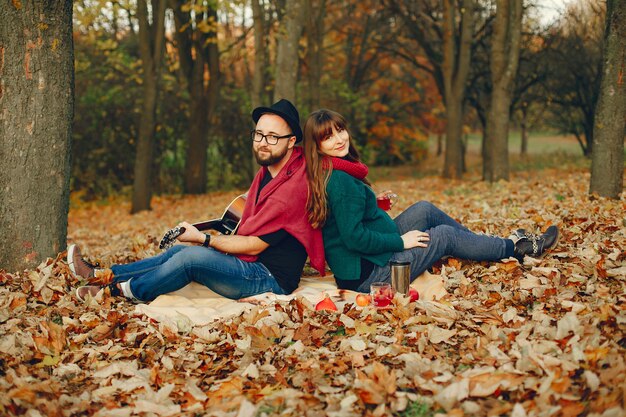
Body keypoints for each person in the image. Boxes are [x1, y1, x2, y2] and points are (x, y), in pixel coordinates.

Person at [68, 99, 325, 302]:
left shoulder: (293, 187)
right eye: (258, 134)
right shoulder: (271, 172)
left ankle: (121, 292)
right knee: (179, 250)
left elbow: (254, 246)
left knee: (189, 259)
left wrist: (203, 238)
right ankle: (102, 275)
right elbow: (252, 216)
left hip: (268, 277)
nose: (262, 143)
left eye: (272, 137)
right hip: (252, 264)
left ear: (291, 142)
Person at [303, 109, 559, 293]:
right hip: (368, 275)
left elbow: (347, 215)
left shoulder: (335, 171)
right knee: (444, 235)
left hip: (369, 259)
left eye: (340, 130)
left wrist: (374, 205)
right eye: (328, 137)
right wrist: (401, 241)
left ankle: (482, 245)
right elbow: (354, 238)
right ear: (316, 146)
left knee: (424, 209)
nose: (339, 139)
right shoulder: (340, 181)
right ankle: (517, 248)